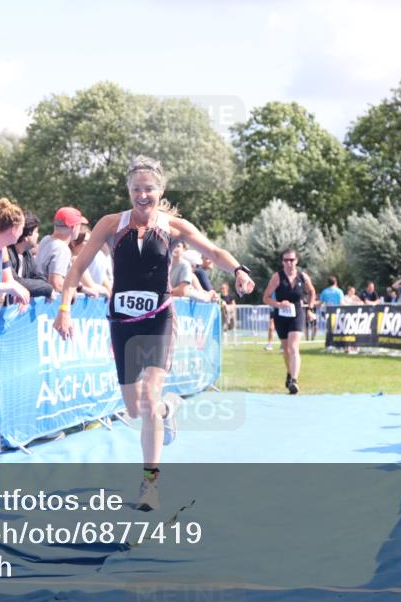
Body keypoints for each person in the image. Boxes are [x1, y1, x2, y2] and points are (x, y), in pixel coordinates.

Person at [53, 155, 254, 511]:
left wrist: (238, 268)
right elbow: (78, 265)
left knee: (146, 397)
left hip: (159, 320)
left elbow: (213, 250)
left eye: (149, 189)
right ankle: (165, 409)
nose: (143, 195)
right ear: (128, 191)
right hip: (122, 325)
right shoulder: (111, 225)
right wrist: (65, 308)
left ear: (160, 190)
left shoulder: (174, 227)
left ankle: (150, 484)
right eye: (136, 189)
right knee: (135, 408)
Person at [263, 248, 316, 394]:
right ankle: (290, 372)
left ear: (296, 261)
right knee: (286, 350)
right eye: (285, 260)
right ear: (282, 262)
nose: (288, 263)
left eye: (291, 260)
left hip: (298, 313)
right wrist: (279, 304)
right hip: (281, 315)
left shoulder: (303, 276)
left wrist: (310, 309)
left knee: (293, 347)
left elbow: (312, 291)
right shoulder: (277, 277)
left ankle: (294, 381)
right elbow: (266, 297)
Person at [37, 207, 87, 292]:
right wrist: (76, 291)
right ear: (74, 227)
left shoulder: (46, 239)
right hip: (49, 303)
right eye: (79, 225)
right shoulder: (62, 248)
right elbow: (56, 284)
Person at [7, 211, 54, 299]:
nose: (38, 235)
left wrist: (27, 293)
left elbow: (40, 278)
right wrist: (47, 289)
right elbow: (14, 280)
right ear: (26, 236)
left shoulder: (27, 254)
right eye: (36, 232)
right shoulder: (6, 252)